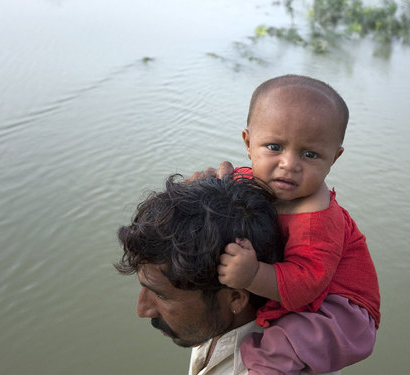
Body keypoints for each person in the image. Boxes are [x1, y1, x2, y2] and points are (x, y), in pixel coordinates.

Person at [216, 75, 381, 374]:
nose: (289, 164)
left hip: (340, 311)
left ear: (334, 158)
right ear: (249, 143)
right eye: (275, 146)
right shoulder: (253, 179)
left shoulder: (316, 217)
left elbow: (306, 284)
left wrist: (252, 274)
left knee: (281, 346)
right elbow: (230, 179)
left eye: (310, 154)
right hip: (307, 289)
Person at [115, 174, 341, 375]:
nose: (142, 310)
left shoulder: (273, 366)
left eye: (161, 295)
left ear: (236, 298)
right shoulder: (215, 319)